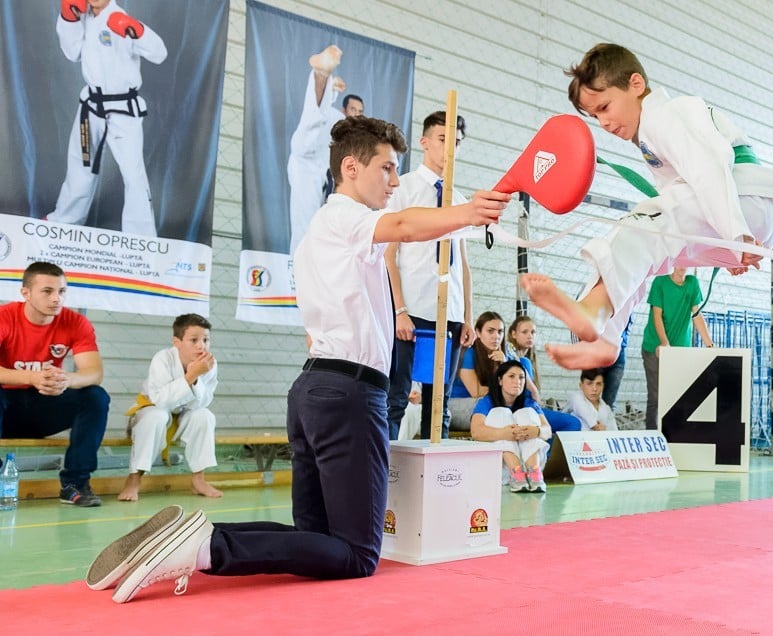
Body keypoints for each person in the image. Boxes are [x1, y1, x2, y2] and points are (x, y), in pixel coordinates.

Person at [92, 116, 509, 603]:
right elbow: (403, 226)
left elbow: (394, 243)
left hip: (315, 390)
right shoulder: (346, 219)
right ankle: (206, 548)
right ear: (351, 168)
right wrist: (468, 211)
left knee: (317, 538)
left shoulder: (323, 232)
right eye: (388, 169)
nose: (396, 183)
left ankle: (190, 538)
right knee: (356, 555)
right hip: (348, 395)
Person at [520, 43, 773, 370]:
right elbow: (684, 210)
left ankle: (595, 316)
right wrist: (733, 244)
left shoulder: (667, 114)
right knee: (645, 252)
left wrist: (735, 234)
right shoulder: (652, 135)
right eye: (595, 116)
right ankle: (606, 340)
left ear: (636, 85)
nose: (604, 123)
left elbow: (707, 165)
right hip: (736, 213)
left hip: (740, 200)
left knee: (639, 227)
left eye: (605, 107)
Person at [385, 111, 475, 440]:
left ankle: (435, 477)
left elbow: (462, 264)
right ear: (425, 143)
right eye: (443, 140)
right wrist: (399, 310)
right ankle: (390, 476)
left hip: (448, 314)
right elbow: (389, 254)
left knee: (440, 403)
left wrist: (466, 315)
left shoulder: (461, 201)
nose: (450, 148)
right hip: (414, 311)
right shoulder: (403, 189)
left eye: (458, 143)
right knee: (397, 398)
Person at [47, 0, 168, 237]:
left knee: (133, 175)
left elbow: (159, 53)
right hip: (91, 105)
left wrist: (137, 30)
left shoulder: (120, 17)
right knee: (80, 167)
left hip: (123, 108)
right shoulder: (83, 16)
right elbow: (72, 53)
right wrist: (69, 19)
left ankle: (140, 236)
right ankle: (64, 223)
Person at [0, 261, 109, 507]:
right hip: (6, 408)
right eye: (47, 291)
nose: (56, 299)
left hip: (43, 408)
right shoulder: (4, 317)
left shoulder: (75, 322)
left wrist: (66, 380)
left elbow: (94, 372)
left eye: (61, 291)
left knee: (95, 397)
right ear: (25, 293)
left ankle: (75, 484)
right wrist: (31, 377)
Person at [119, 313, 221, 502]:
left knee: (204, 416)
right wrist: (190, 377)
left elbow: (202, 402)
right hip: (152, 412)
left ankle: (198, 479)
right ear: (177, 342)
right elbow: (160, 400)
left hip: (182, 415)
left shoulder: (209, 365)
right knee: (157, 416)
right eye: (194, 340)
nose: (201, 345)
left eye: (206, 340)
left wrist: (197, 376)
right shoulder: (163, 359)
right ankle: (134, 478)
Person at [287, 46, 366, 256]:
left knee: (314, 227)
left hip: (320, 175)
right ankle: (321, 73)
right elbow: (320, 110)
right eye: (352, 110)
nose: (356, 115)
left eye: (360, 112)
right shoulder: (334, 116)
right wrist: (329, 87)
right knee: (303, 230)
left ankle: (323, 75)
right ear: (344, 110)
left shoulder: (354, 137)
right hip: (306, 158)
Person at [641, 267, 713, 430]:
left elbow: (696, 314)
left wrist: (710, 344)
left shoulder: (692, 283)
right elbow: (656, 316)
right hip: (654, 347)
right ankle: (652, 437)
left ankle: (675, 436)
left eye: (686, 263)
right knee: (656, 396)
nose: (682, 267)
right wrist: (664, 343)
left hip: (680, 350)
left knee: (678, 395)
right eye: (679, 261)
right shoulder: (660, 282)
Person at [469, 360, 549, 493]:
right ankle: (516, 473)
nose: (517, 381)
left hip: (529, 463)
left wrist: (536, 431)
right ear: (500, 380)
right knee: (500, 412)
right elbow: (476, 432)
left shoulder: (529, 403)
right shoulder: (487, 402)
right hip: (501, 467)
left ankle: (535, 474)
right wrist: (505, 433)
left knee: (526, 413)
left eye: (521, 377)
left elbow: (548, 430)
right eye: (511, 376)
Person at [505, 315, 581, 437]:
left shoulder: (530, 359)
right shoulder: (508, 351)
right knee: (572, 423)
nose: (530, 336)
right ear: (513, 334)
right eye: (524, 332)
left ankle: (546, 451)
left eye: (533, 332)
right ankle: (546, 452)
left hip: (531, 407)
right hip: (518, 407)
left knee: (573, 423)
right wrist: (534, 392)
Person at [448, 311, 507, 430]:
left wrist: (504, 365)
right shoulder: (469, 354)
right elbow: (477, 392)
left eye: (500, 331)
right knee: (497, 408)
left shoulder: (503, 356)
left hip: (485, 403)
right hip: (457, 404)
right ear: (478, 333)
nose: (496, 336)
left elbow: (523, 390)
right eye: (490, 331)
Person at [601, 315, 632, 411]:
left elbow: (628, 322)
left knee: (609, 401)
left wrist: (622, 342)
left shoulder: (627, 302)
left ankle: (607, 425)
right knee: (591, 399)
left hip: (618, 352)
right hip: (597, 351)